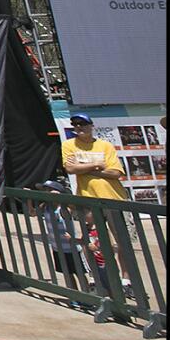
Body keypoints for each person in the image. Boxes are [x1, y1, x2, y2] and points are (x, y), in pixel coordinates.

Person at [61, 113, 134, 290]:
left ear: (91, 125)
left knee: (123, 241)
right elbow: (70, 168)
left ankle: (126, 280)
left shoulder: (105, 146)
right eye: (75, 124)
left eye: (83, 124)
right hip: (88, 201)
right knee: (91, 242)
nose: (79, 127)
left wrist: (85, 169)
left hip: (113, 198)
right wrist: (97, 166)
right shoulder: (69, 145)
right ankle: (97, 277)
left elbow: (116, 173)